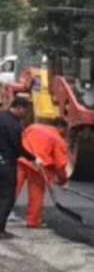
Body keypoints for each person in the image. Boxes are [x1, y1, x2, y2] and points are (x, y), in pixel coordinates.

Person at [17, 119, 71, 228]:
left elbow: (19, 140)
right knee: (36, 195)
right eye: (66, 131)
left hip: (20, 161)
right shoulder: (58, 139)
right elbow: (60, 165)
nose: (66, 134)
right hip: (38, 168)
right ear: (61, 128)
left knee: (9, 190)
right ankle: (33, 221)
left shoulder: (33, 127)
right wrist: (63, 181)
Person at [0, 93, 36, 239]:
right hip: (5, 163)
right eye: (25, 111)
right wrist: (33, 158)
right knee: (6, 197)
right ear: (19, 108)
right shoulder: (14, 125)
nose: (25, 115)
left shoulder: (1, 116)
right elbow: (17, 147)